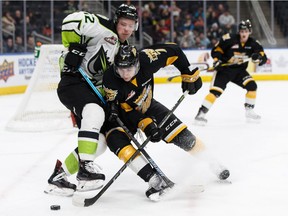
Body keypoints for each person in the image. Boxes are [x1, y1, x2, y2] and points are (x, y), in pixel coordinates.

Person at [102, 43, 230, 201]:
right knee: (115, 140)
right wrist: (146, 124)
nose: (125, 74)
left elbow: (174, 50)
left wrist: (187, 72)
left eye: (129, 69)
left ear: (137, 64)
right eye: (121, 70)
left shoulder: (147, 59)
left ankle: (212, 162)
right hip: (124, 116)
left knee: (181, 135)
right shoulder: (110, 79)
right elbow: (126, 111)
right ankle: (154, 180)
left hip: (148, 104)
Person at [44, 4, 138, 196]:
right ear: (116, 21)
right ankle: (86, 169)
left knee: (100, 142)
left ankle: (58, 178)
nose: (127, 29)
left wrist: (113, 103)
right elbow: (71, 22)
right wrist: (73, 47)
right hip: (74, 82)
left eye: (131, 26)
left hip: (93, 93)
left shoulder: (124, 49)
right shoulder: (102, 27)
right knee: (94, 112)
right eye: (123, 24)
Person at [194, 19, 267, 125]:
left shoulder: (254, 44)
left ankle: (249, 111)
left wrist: (258, 58)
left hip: (239, 71)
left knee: (252, 86)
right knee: (215, 92)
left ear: (249, 32)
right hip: (224, 70)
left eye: (246, 31)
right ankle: (201, 114)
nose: (243, 34)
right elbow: (217, 49)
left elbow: (262, 57)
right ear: (239, 32)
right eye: (242, 31)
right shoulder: (229, 39)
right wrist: (217, 60)